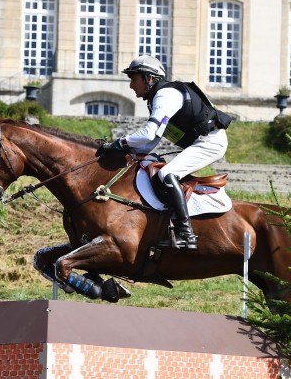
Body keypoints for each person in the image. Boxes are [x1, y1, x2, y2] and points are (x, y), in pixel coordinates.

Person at [99, 55, 232, 250]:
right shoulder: (157, 99)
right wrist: (125, 151)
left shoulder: (165, 95)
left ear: (149, 78)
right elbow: (150, 142)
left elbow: (148, 133)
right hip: (201, 141)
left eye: (133, 79)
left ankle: (186, 234)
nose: (131, 86)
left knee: (166, 174)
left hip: (211, 142)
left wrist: (119, 143)